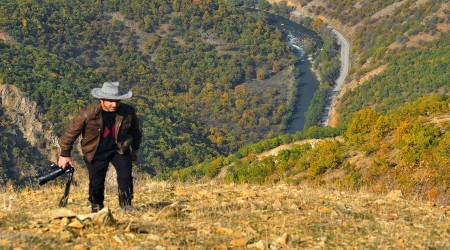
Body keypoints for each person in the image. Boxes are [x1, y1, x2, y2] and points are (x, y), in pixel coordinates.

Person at [58, 81, 142, 212]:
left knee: (125, 178)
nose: (114, 104)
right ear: (101, 99)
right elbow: (71, 133)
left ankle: (126, 205)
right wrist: (65, 154)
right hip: (95, 150)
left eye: (117, 101)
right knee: (96, 181)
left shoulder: (127, 112)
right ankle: (97, 206)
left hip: (120, 149)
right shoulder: (88, 113)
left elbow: (135, 131)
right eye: (110, 101)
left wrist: (136, 148)